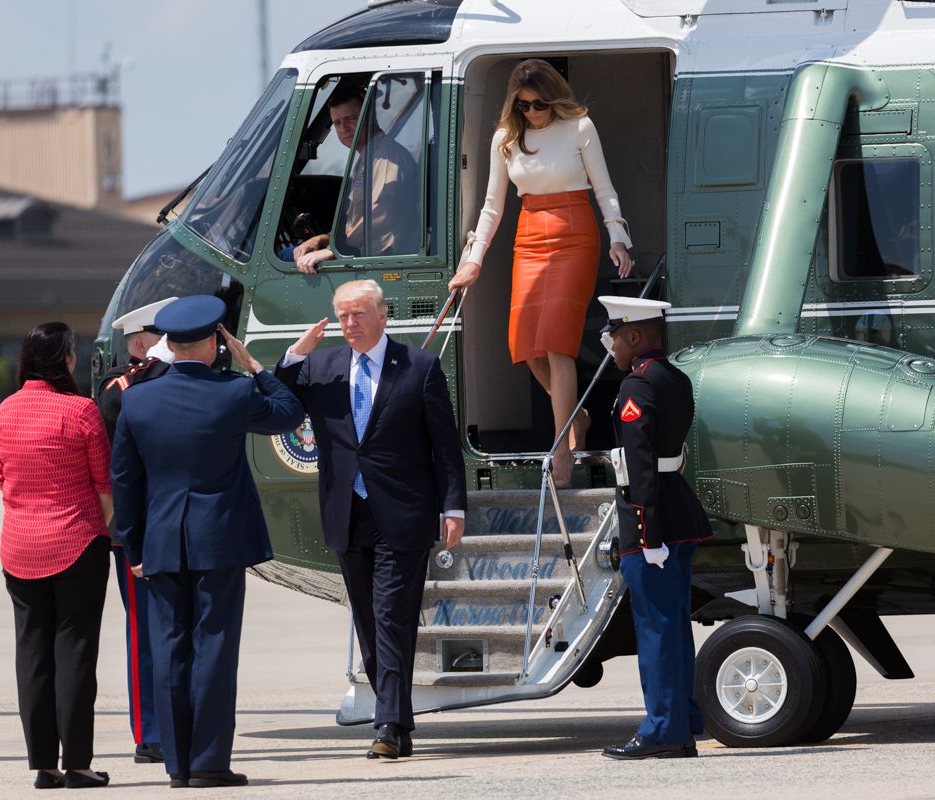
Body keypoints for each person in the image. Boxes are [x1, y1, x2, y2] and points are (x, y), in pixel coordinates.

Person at [111, 295, 304, 788]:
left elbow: (126, 482)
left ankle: (176, 764)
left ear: (169, 344)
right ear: (216, 341)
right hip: (218, 537)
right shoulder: (233, 393)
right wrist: (254, 365)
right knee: (214, 647)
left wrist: (133, 547)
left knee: (170, 647)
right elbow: (287, 414)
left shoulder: (136, 398)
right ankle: (210, 762)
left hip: (160, 541)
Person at [274, 279, 467, 759]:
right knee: (367, 619)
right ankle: (396, 718)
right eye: (341, 316)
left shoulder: (418, 367)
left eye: (358, 314)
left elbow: (444, 445)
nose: (349, 324)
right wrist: (296, 353)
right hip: (347, 512)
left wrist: (453, 505)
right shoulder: (321, 366)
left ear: (383, 315)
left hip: (402, 513)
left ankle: (388, 725)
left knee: (391, 615)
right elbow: (275, 402)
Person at [448, 58, 634, 487]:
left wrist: (618, 237)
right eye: (525, 106)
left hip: (575, 232)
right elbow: (492, 207)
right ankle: (577, 416)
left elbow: (604, 189)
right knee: (525, 346)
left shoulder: (580, 127)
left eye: (540, 104)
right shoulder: (505, 139)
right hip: (529, 234)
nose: (533, 112)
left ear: (554, 98)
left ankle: (563, 445)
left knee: (556, 342)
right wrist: (474, 260)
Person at [0, 322, 113, 789]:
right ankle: (78, 762)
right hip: (76, 541)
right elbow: (104, 486)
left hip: (19, 545)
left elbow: (3, 480)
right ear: (65, 360)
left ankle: (44, 765)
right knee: (75, 653)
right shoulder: (81, 411)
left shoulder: (4, 412)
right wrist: (101, 528)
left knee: (32, 654)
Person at [595, 296, 713, 760]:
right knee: (673, 628)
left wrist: (647, 535)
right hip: (677, 512)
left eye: (617, 337)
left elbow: (640, 464)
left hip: (653, 519)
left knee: (657, 630)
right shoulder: (675, 379)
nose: (612, 347)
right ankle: (682, 725)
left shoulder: (636, 386)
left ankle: (663, 729)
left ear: (637, 336)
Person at [95, 296, 176, 766]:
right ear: (147, 342)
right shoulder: (122, 385)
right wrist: (162, 365)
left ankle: (177, 723)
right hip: (138, 529)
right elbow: (116, 405)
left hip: (178, 522)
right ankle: (150, 731)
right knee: (146, 631)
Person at [288, 86, 420, 272]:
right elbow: (355, 226)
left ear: (370, 117)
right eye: (337, 123)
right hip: (373, 260)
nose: (344, 128)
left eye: (351, 119)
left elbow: (383, 214)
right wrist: (322, 240)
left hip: (388, 264)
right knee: (290, 254)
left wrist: (334, 249)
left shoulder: (386, 156)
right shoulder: (365, 160)